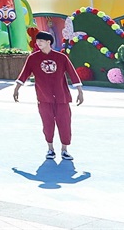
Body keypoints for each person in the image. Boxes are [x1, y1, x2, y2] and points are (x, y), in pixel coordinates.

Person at [13, 31, 84, 161]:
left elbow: (72, 73)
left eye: (41, 40)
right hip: (44, 98)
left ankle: (64, 150)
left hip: (62, 98)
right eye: (37, 41)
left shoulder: (61, 57)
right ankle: (50, 149)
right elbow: (24, 73)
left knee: (65, 124)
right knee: (47, 124)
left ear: (48, 42)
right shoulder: (32, 58)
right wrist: (17, 88)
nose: (38, 43)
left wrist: (80, 91)